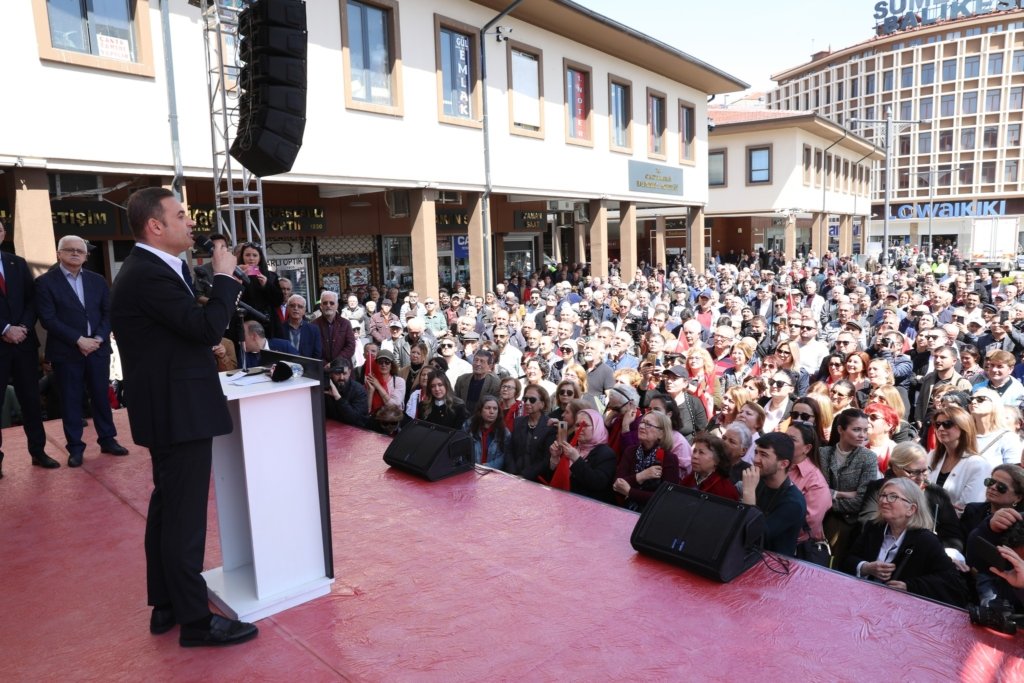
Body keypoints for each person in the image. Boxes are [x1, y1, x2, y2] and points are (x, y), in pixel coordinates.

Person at [111, 187, 257, 646]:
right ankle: (196, 621)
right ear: (156, 226)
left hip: (171, 408)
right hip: (178, 412)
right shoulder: (148, 274)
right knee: (184, 518)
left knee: (168, 509)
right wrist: (226, 279)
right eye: (181, 215)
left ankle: (168, 603)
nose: (191, 223)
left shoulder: (153, 270)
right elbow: (204, 328)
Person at [35, 234, 128, 467]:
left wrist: (97, 338)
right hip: (67, 352)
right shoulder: (45, 282)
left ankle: (108, 439)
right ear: (58, 254)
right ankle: (75, 448)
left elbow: (109, 313)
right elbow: (48, 319)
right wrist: (78, 340)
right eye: (69, 250)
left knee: (101, 396)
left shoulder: (98, 281)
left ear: (86, 256)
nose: (75, 253)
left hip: (97, 348)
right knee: (71, 400)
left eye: (80, 250)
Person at [843, 478, 967, 607]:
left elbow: (954, 584)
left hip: (901, 610)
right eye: (883, 495)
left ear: (911, 509)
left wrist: (910, 587)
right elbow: (847, 560)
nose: (884, 501)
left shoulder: (926, 541)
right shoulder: (874, 528)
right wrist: (866, 567)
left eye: (893, 497)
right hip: (861, 600)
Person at [0, 220, 59, 475]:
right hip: (0, 342)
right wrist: (4, 329)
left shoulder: (17, 262)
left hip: (23, 344)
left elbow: (32, 299)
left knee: (32, 400)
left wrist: (22, 326)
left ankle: (38, 452)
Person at [857, 442, 963, 556]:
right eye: (914, 472)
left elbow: (953, 536)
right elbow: (867, 523)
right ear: (896, 468)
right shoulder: (879, 489)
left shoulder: (937, 494)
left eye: (924, 471)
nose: (921, 478)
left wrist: (948, 554)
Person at [819, 408, 878, 564]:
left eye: (866, 430)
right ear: (840, 429)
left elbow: (860, 501)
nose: (862, 435)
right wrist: (839, 493)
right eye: (856, 429)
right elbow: (815, 491)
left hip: (848, 524)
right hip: (817, 518)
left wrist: (827, 498)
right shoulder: (823, 453)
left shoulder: (868, 458)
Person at [529, 407, 616, 503]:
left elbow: (598, 483)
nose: (580, 428)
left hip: (588, 506)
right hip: (563, 501)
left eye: (585, 425)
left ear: (597, 427)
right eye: (577, 425)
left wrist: (576, 459)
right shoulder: (573, 446)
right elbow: (554, 480)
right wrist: (554, 459)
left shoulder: (606, 453)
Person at [740, 432, 807, 556]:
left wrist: (748, 492)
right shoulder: (759, 482)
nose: (755, 460)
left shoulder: (793, 503)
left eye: (764, 455)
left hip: (773, 567)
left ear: (783, 464)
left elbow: (756, 537)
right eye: (756, 452)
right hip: (750, 557)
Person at [927, 404, 991, 513]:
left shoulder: (978, 464)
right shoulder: (932, 455)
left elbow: (968, 507)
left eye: (947, 424)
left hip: (957, 526)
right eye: (937, 425)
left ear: (963, 426)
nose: (941, 428)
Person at [612, 410, 679, 512]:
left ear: (661, 433)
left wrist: (630, 492)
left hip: (650, 516)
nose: (641, 426)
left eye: (648, 424)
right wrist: (642, 476)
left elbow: (665, 498)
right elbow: (617, 484)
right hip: (622, 510)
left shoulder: (669, 459)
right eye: (642, 422)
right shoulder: (631, 451)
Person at [786, 422, 831, 546]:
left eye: (792, 440)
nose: (785, 442)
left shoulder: (816, 482)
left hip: (793, 547)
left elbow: (808, 526)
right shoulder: (779, 465)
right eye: (785, 437)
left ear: (807, 448)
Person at [237, 241, 283, 337]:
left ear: (260, 257)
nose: (251, 258)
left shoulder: (271, 276)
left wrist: (267, 285)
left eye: (255, 255)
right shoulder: (236, 274)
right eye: (247, 255)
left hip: (266, 323)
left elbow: (278, 301)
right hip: (243, 321)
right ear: (242, 257)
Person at [506, 384, 553, 476]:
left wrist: (525, 475)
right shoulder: (518, 422)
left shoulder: (549, 425)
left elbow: (546, 459)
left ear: (542, 404)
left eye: (532, 400)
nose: (527, 403)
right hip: (514, 475)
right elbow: (509, 450)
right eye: (525, 399)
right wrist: (513, 472)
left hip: (536, 480)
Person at [969, 388, 1023, 469]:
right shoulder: (964, 434)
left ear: (994, 404)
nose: (973, 402)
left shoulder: (1008, 438)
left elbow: (1014, 474)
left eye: (980, 399)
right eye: (971, 399)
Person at [681, 432, 739, 501]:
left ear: (716, 460)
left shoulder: (725, 491)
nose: (695, 456)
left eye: (701, 452)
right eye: (694, 451)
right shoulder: (688, 479)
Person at [463, 394, 509, 469]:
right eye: (488, 408)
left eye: (495, 409)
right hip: (471, 470)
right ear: (480, 410)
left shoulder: (504, 432)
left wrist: (488, 466)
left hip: (493, 473)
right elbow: (462, 451)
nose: (492, 412)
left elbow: (505, 456)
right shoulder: (468, 427)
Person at [314, 290, 357, 367]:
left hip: (343, 370)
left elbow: (350, 346)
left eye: (332, 303)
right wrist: (325, 364)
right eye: (325, 303)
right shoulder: (313, 325)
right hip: (322, 370)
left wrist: (335, 363)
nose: (328, 305)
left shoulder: (345, 323)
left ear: (337, 305)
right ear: (321, 306)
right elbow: (312, 349)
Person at [453, 349, 502, 415]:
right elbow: (455, 400)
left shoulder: (495, 383)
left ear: (489, 366)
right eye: (476, 360)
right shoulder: (462, 379)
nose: (478, 364)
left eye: (482, 361)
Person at [324, 357, 368, 426]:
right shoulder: (325, 388)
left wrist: (338, 398)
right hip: (332, 428)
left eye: (344, 373)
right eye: (337, 374)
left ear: (350, 372)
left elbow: (355, 419)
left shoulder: (359, 390)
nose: (341, 377)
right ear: (331, 373)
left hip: (356, 430)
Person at [278, 294, 322, 360]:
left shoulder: (314, 330)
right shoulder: (280, 328)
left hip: (307, 368)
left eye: (300, 306)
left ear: (304, 310)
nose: (296, 308)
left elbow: (317, 354)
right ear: (287, 308)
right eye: (292, 306)